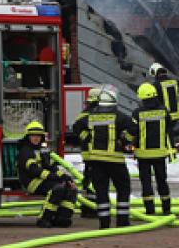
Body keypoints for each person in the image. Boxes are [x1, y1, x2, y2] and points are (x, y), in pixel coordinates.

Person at [72, 88, 135, 228]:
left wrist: (87, 137)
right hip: (115, 160)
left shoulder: (91, 116)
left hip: (96, 161)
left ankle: (104, 223)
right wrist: (124, 140)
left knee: (101, 191)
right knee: (123, 188)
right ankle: (122, 221)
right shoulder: (120, 116)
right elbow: (134, 128)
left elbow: (76, 127)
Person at [17, 120, 77, 228]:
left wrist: (65, 177)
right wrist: (53, 177)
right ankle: (44, 218)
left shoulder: (42, 150)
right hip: (32, 182)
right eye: (33, 136)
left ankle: (62, 218)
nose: (36, 138)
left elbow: (51, 167)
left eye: (38, 136)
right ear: (28, 137)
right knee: (57, 188)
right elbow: (34, 170)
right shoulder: (25, 151)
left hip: (43, 179)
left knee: (71, 188)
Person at [131, 83, 173, 215]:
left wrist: (131, 145)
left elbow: (133, 132)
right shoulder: (164, 111)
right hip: (160, 154)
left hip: (143, 155)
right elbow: (169, 131)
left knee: (146, 183)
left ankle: (150, 210)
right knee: (162, 181)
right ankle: (166, 209)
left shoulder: (137, 113)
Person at [73, 87, 101, 218]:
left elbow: (76, 128)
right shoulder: (92, 114)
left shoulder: (84, 113)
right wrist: (89, 138)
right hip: (94, 153)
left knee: (89, 180)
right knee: (94, 181)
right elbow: (77, 127)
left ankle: (88, 207)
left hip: (89, 153)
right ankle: (91, 207)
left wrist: (85, 137)